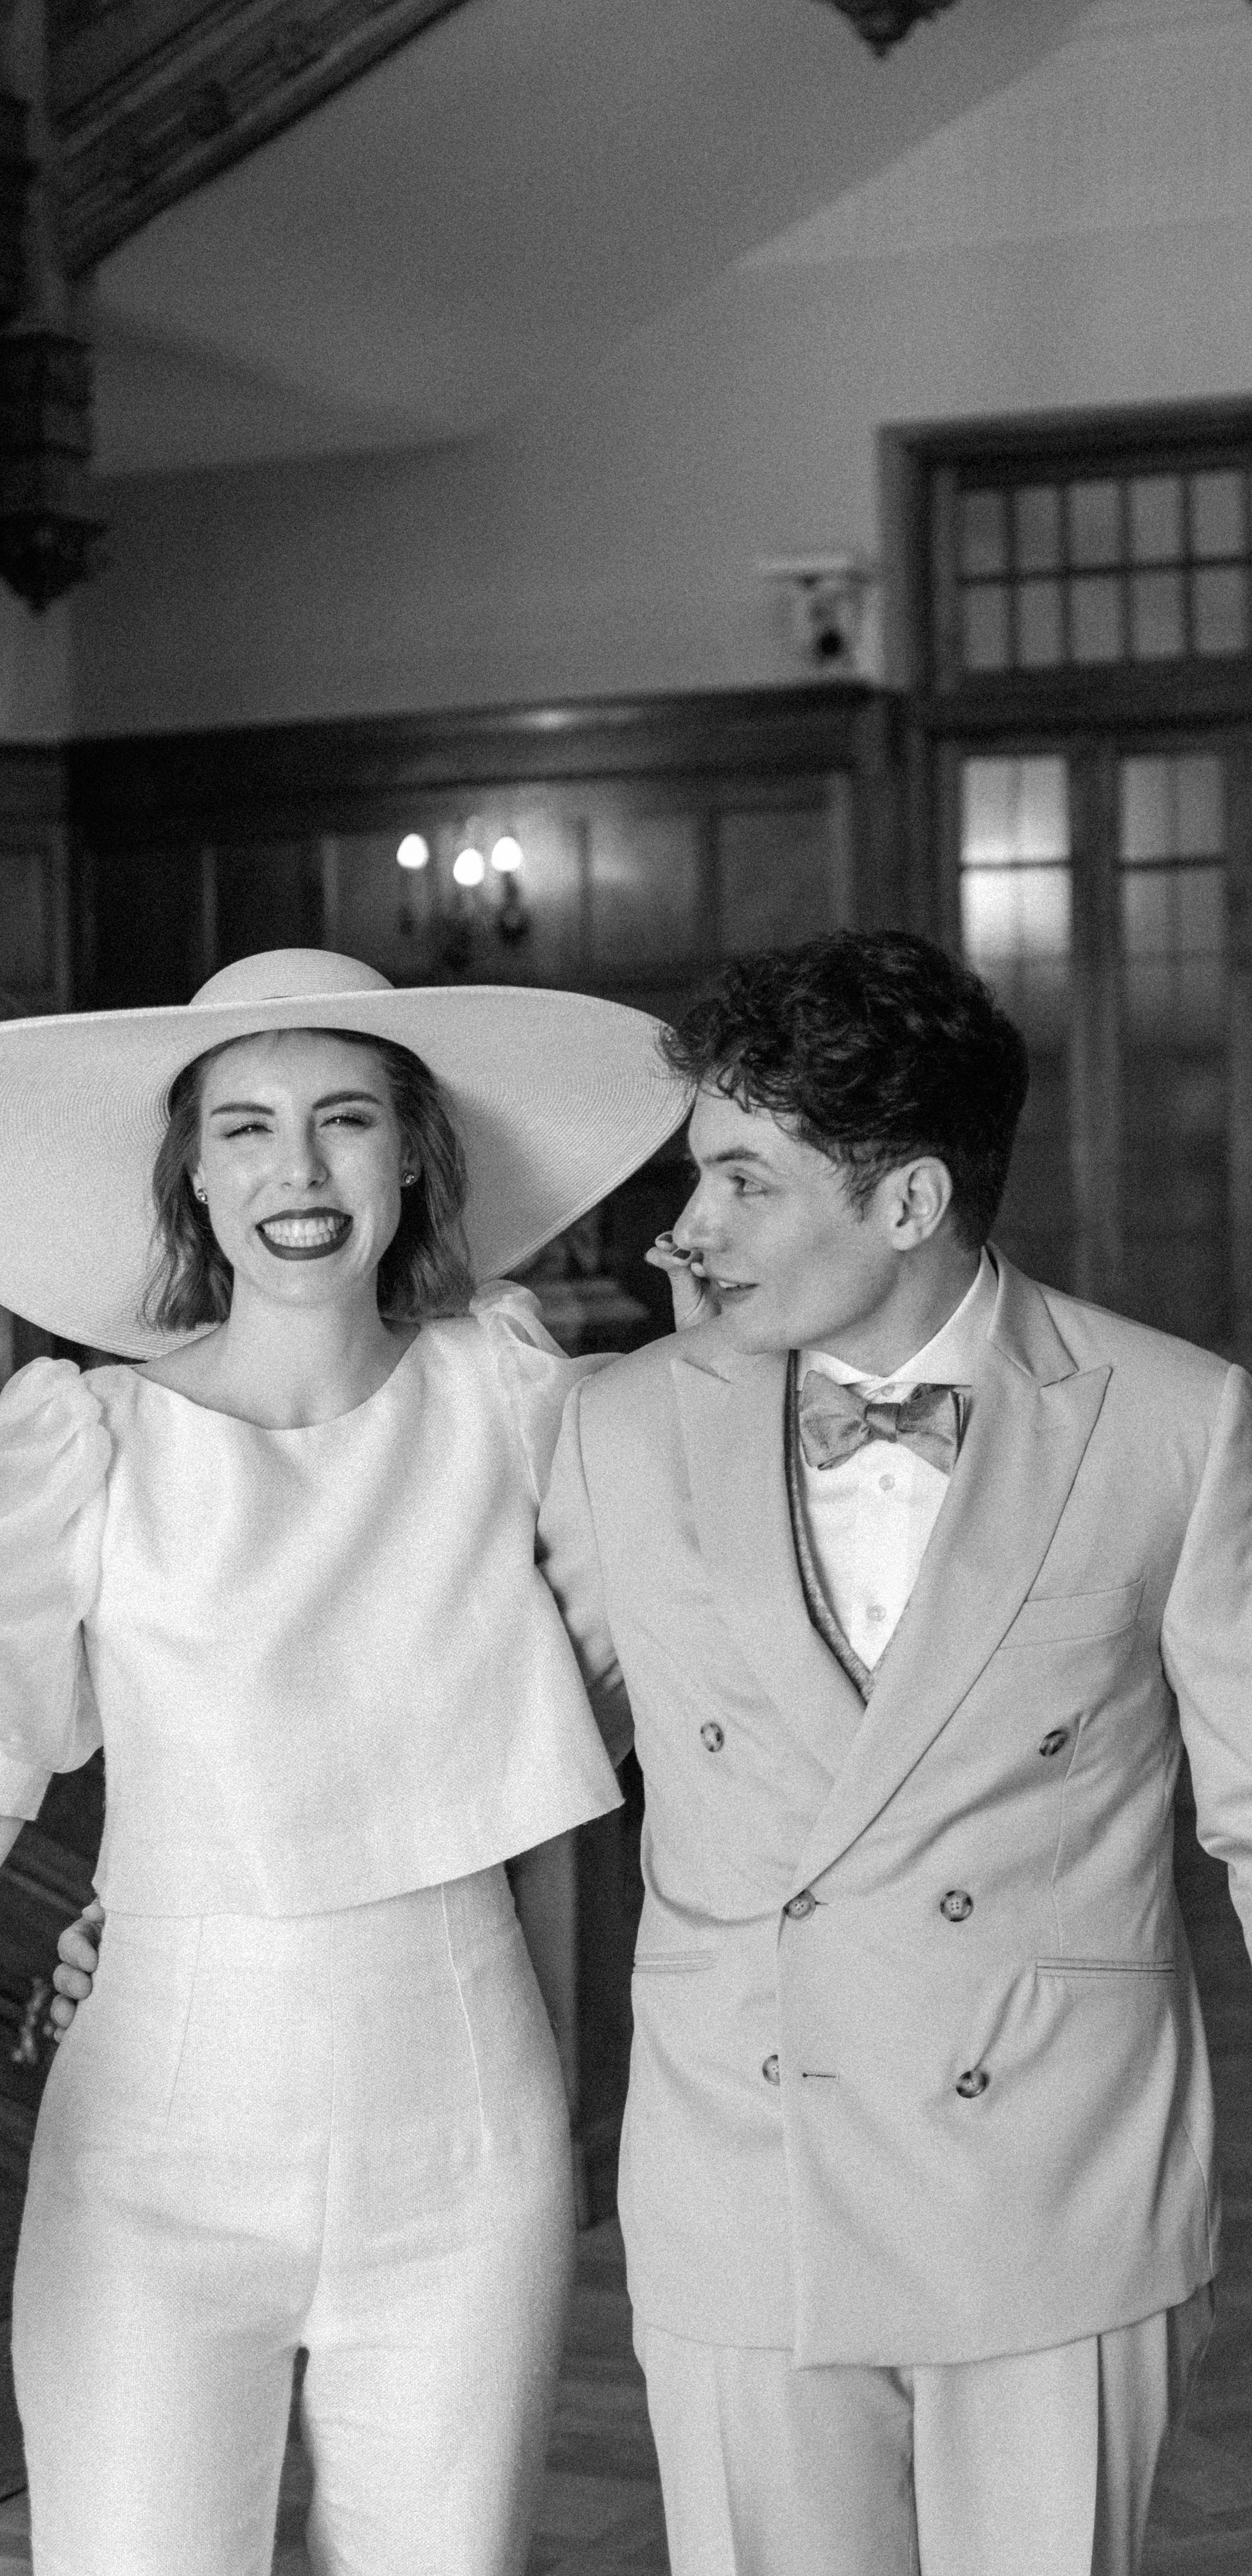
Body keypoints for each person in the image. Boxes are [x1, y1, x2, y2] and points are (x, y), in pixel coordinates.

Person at [531, 926, 1252, 2576]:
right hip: (745, 2180)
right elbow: (509, 1757)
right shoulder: (612, 1424)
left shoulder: (1174, 1421)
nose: (686, 1229)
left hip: (1054, 2185)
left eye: (743, 1181)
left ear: (911, 1204)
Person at [0, 946, 686, 2576]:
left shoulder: (520, 1397)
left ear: (413, 1155)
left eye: (344, 1119)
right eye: (242, 1127)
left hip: (462, 2125)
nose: (295, 1172)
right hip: (150, 2136)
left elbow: (642, 1673)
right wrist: (65, 1932)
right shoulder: (80, 1438)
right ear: (188, 1172)